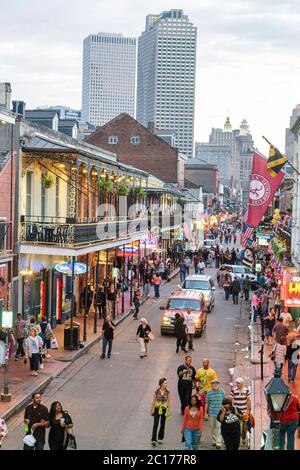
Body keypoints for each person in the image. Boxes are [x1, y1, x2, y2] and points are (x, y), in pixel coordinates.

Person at [205, 379, 225, 449]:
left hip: (219, 413)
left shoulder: (222, 391)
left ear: (218, 384)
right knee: (213, 427)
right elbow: (207, 403)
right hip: (211, 413)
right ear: (212, 385)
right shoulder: (209, 392)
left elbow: (224, 401)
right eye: (213, 383)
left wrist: (224, 410)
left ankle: (218, 443)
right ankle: (214, 440)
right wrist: (205, 413)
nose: (215, 385)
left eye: (216, 383)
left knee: (218, 427)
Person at [230, 377, 251, 445]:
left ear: (242, 383)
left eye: (238, 383)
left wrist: (248, 410)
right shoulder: (233, 390)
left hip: (244, 411)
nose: (237, 384)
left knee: (244, 427)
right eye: (236, 383)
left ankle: (244, 437)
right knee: (236, 426)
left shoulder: (246, 390)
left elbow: (248, 400)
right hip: (236, 411)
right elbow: (230, 399)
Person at [151, 378, 171, 447]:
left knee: (163, 424)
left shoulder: (168, 392)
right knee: (155, 424)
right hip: (157, 408)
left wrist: (168, 411)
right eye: (165, 383)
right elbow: (153, 401)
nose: (166, 384)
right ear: (161, 384)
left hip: (164, 409)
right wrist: (152, 410)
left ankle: (160, 438)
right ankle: (153, 439)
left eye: (166, 383)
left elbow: (168, 402)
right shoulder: (157, 391)